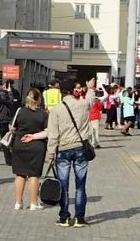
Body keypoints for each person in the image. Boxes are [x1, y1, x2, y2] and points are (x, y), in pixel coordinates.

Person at [47, 78, 95, 228]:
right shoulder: (82, 105)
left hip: (62, 150)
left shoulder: (56, 109)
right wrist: (90, 88)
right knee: (80, 185)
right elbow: (90, 101)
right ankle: (79, 218)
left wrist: (50, 155)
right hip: (80, 148)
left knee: (63, 185)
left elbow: (53, 134)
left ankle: (64, 218)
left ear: (61, 92)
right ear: (73, 91)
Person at [11, 88, 48, 210]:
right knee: (33, 175)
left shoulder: (20, 111)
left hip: (19, 144)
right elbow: (47, 132)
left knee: (19, 174)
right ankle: (33, 203)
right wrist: (34, 136)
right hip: (36, 146)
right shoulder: (43, 114)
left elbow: (12, 127)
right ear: (38, 99)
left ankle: (18, 203)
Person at [0, 80, 16, 165]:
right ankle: (9, 160)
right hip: (3, 120)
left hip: (0, 119)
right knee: (5, 140)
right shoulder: (2, 94)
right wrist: (9, 92)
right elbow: (11, 102)